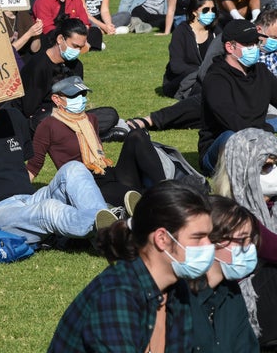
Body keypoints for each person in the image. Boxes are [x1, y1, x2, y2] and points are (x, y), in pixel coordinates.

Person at [47, 180, 214, 352]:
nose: (208, 245)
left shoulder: (176, 288)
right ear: (162, 239)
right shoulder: (116, 295)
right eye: (198, 237)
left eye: (209, 236)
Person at [0, 104, 120, 247]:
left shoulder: (12, 117)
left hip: (28, 199)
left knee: (74, 168)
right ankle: (114, 227)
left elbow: (25, 162)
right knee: (49, 209)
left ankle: (105, 226)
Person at [28, 76, 165, 206]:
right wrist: (18, 197)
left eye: (83, 94)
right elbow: (34, 166)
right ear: (56, 99)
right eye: (74, 95)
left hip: (107, 172)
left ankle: (165, 186)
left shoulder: (90, 119)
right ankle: (162, 199)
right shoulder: (48, 125)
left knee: (137, 134)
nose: (81, 99)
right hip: (87, 185)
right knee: (143, 199)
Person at [213, 128, 277, 346]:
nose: (275, 171)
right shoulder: (233, 215)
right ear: (244, 169)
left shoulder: (272, 206)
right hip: (247, 300)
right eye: (267, 166)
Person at [199, 20, 277, 176]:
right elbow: (233, 121)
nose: (255, 48)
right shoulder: (215, 78)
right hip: (219, 149)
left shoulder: (261, 72)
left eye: (256, 43)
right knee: (233, 137)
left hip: (258, 139)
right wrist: (266, 134)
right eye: (249, 44)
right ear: (230, 47)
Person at [188, 195, 260, 352]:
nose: (249, 248)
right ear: (211, 240)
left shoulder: (232, 294)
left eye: (251, 240)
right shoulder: (180, 298)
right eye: (241, 240)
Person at [162, 0, 219, 99]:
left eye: (213, 10)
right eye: (206, 10)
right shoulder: (181, 31)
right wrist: (202, 71)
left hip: (210, 76)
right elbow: (176, 66)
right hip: (181, 79)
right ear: (194, 12)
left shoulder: (216, 31)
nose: (211, 13)